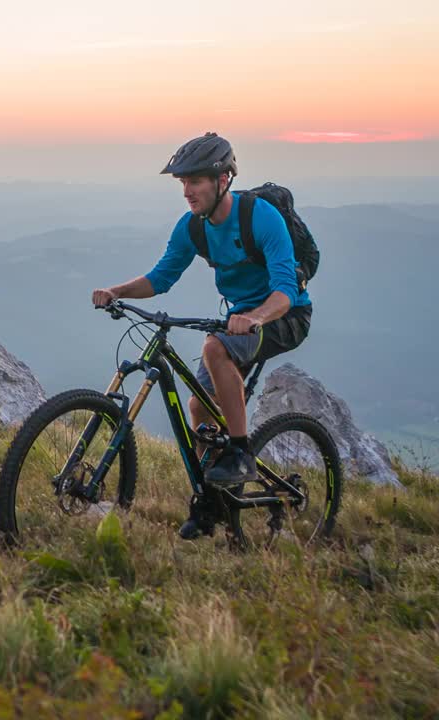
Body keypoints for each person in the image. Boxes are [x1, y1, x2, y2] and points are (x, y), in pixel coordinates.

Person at [91, 132, 312, 538]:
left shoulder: (260, 217)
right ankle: (211, 505)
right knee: (198, 409)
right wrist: (117, 292)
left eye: (195, 181)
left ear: (223, 179)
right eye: (183, 183)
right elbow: (161, 278)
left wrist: (256, 317)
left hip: (285, 315)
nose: (187, 191)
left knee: (215, 348)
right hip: (240, 318)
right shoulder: (193, 227)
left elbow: (286, 289)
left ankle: (242, 452)